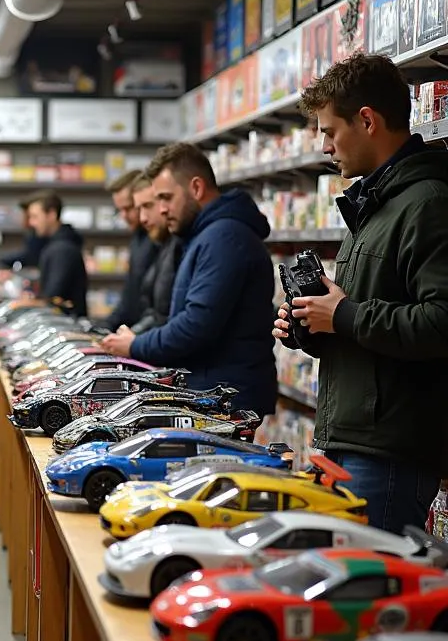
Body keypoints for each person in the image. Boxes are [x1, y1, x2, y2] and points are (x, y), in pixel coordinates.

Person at [275, 53, 448, 533]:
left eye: (330, 131)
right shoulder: (374, 204)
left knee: (372, 597)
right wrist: (311, 327)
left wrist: (344, 314)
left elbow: (440, 323)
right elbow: (361, 317)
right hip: (352, 440)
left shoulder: (428, 203)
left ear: (367, 121)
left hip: (389, 451)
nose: (323, 145)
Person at [102, 142, 277, 418]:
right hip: (213, 389)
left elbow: (195, 326)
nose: (160, 210)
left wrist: (136, 346)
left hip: (224, 398)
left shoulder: (224, 239)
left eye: (166, 198)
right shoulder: (205, 236)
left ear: (196, 188)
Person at [128, 172, 185, 335]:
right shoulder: (164, 246)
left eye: (148, 206)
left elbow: (169, 319)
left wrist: (135, 342)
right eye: (139, 209)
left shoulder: (179, 246)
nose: (142, 218)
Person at [104, 170, 159, 331]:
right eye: (119, 210)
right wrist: (106, 326)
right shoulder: (138, 238)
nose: (124, 216)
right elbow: (130, 293)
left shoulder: (160, 239)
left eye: (128, 208)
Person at [21, 190, 87, 317]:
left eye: (35, 217)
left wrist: (24, 303)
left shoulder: (62, 249)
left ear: (51, 215)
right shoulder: (57, 245)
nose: (31, 223)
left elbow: (53, 297)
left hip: (64, 326)